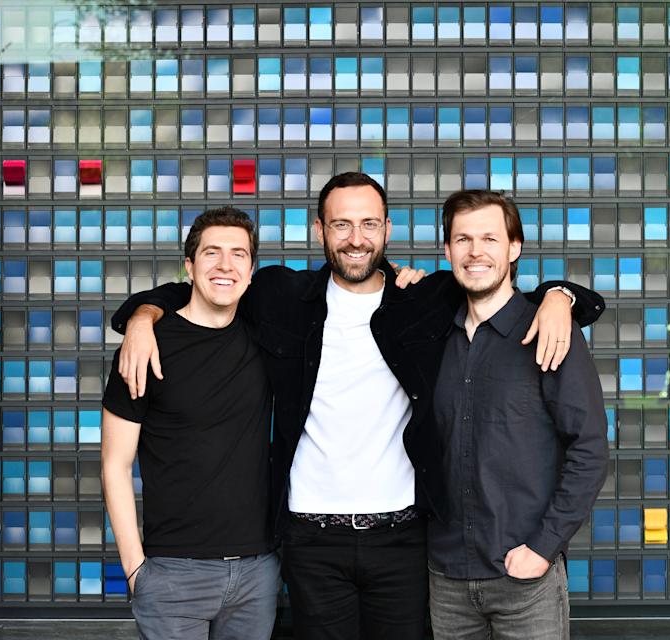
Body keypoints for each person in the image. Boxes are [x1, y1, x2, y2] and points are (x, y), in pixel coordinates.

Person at [111, 173, 606, 640]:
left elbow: (499, 288)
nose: (355, 239)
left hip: (403, 537)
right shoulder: (281, 296)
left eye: (369, 224)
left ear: (387, 229)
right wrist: (142, 315)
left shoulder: (425, 298)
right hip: (311, 538)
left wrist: (561, 297)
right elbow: (210, 285)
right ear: (320, 230)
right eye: (341, 224)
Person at [427, 191, 609, 640]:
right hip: (445, 578)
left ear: (514, 248)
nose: (476, 252)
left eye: (490, 238)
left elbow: (588, 450)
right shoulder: (430, 337)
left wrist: (544, 548)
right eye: (463, 239)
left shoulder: (550, 331)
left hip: (526, 580)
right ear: (447, 250)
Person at [101, 207, 281, 640]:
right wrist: (135, 570)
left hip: (257, 573)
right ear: (190, 265)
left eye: (238, 254)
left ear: (251, 271)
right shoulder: (146, 348)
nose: (225, 265)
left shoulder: (267, 336)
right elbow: (114, 464)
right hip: (172, 575)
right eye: (211, 253)